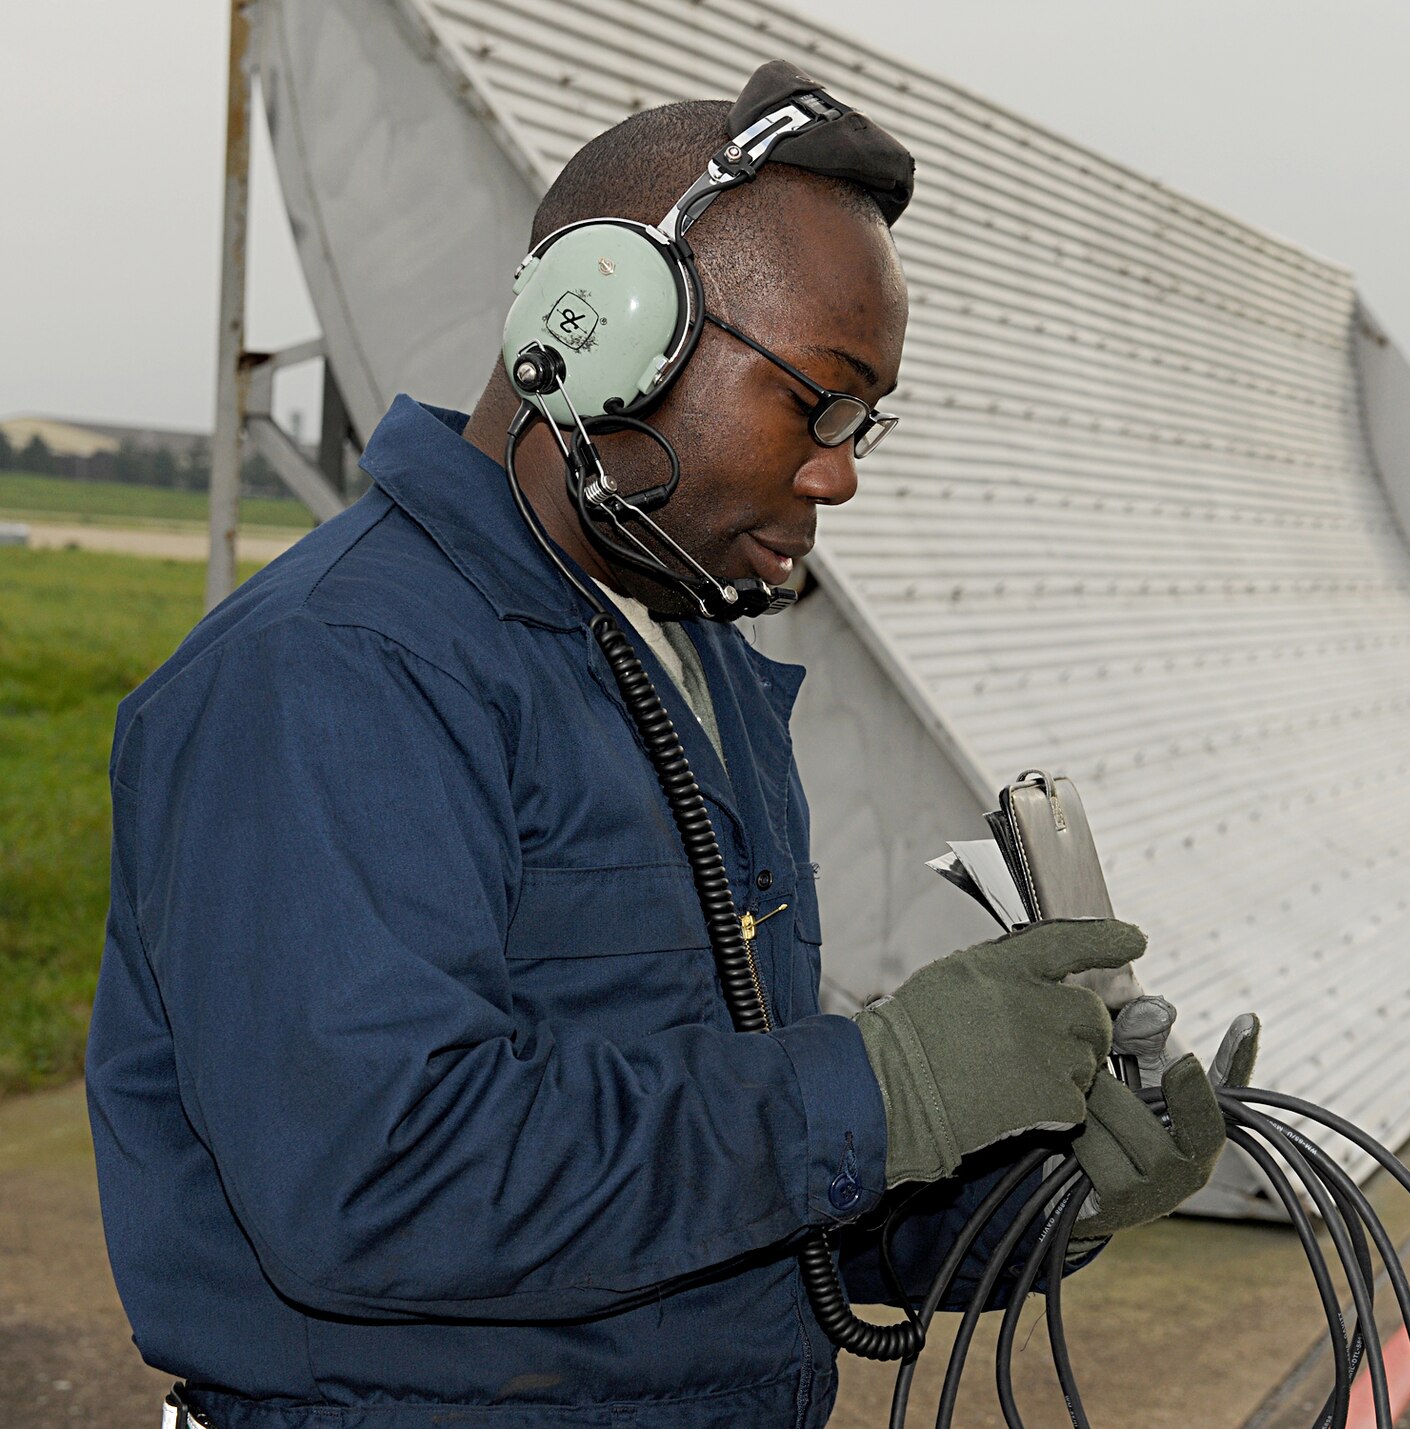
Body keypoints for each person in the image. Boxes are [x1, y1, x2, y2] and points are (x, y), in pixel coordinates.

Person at [87, 65, 1234, 1429]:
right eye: (817, 399)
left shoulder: (681, 672)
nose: (838, 471)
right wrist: (885, 1085)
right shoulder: (333, 672)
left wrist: (1018, 1180)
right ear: (606, 330)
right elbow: (375, 1183)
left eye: (863, 422)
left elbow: (730, 1210)